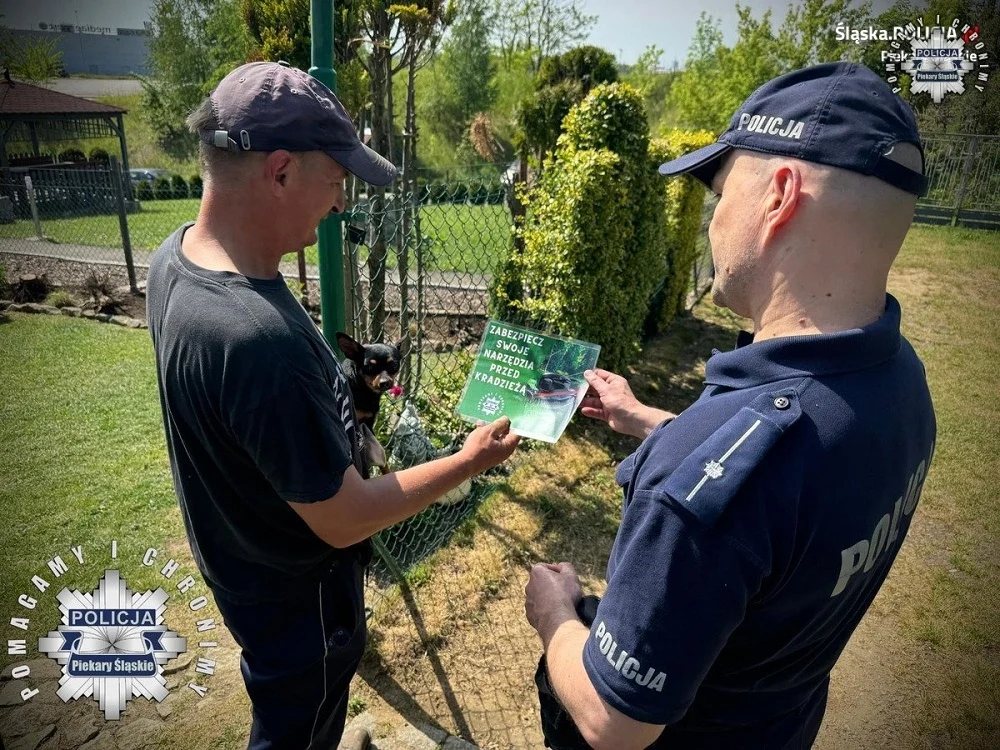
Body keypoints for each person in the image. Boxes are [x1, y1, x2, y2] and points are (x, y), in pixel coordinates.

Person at [524, 61, 937, 749]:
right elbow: (782, 490)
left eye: (721, 192)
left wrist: (555, 615)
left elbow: (613, 721)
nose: (714, 218)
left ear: (779, 196)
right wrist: (647, 420)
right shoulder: (898, 383)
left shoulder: (697, 491)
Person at [145, 61, 519, 750]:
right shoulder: (258, 340)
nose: (342, 202)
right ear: (281, 171)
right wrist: (468, 462)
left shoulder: (175, 262)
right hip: (302, 607)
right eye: (338, 179)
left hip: (248, 571)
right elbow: (345, 519)